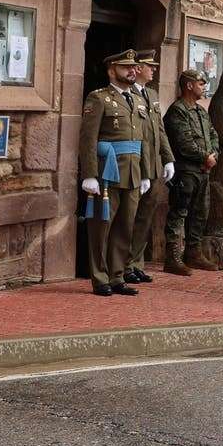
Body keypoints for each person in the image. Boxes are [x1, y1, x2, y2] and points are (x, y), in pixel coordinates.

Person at [79, 49, 150, 297]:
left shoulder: (138, 100)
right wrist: (89, 174)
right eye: (125, 67)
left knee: (125, 227)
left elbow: (144, 141)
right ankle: (99, 278)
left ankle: (117, 276)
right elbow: (88, 138)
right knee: (102, 227)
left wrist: (145, 173)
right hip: (107, 172)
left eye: (134, 67)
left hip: (132, 171)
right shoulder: (99, 98)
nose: (132, 71)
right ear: (112, 70)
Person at [162, 68, 220, 275]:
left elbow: (214, 136)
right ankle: (173, 257)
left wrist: (212, 156)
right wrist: (204, 156)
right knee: (179, 213)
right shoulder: (178, 110)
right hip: (186, 171)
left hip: (203, 171)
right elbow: (183, 142)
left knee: (200, 213)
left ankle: (194, 254)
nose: (204, 87)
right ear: (189, 85)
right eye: (201, 84)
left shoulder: (201, 111)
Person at [126, 49, 175, 284]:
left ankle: (136, 262)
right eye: (149, 66)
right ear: (137, 69)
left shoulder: (152, 94)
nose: (153, 69)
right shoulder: (128, 94)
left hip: (153, 164)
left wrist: (168, 158)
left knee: (146, 216)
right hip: (136, 163)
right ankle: (123, 263)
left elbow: (160, 130)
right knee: (130, 216)